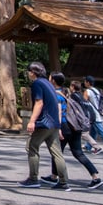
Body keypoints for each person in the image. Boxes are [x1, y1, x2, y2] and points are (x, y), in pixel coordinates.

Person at [43, 73, 103, 190]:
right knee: (78, 153)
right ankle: (95, 177)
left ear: (54, 81)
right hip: (76, 126)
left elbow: (60, 113)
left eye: (50, 78)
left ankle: (59, 179)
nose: (49, 79)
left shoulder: (58, 95)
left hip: (66, 126)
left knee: (56, 153)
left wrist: (59, 128)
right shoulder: (72, 94)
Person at [19, 62, 68, 190]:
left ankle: (33, 178)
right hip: (54, 123)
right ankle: (63, 182)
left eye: (28, 71)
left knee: (31, 147)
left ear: (33, 72)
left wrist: (32, 121)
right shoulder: (48, 83)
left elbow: (39, 102)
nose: (28, 73)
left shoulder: (37, 83)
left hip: (44, 122)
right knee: (57, 153)